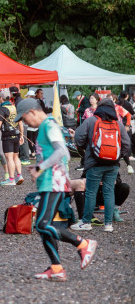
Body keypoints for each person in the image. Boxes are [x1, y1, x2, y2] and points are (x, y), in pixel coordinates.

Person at [15, 98, 97, 281]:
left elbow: (62, 152)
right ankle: (56, 268)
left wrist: (40, 167)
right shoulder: (45, 127)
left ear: (32, 112)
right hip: (50, 183)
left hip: (54, 184)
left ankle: (83, 244)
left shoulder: (49, 125)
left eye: (25, 119)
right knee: (44, 226)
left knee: (42, 224)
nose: (26, 123)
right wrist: (39, 167)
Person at [71, 98, 131, 232]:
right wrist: (117, 156)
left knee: (91, 192)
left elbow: (78, 138)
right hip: (113, 163)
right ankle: (108, 224)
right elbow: (127, 144)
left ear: (99, 107)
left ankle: (86, 222)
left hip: (94, 162)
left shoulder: (91, 121)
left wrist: (88, 148)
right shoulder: (118, 123)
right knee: (109, 192)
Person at [0, 90, 24, 186]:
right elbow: (20, 124)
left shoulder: (2, 109)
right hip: (16, 135)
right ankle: (19, 175)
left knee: (9, 158)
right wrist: (21, 135)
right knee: (16, 157)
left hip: (7, 136)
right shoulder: (15, 107)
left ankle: (11, 179)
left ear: (1, 98)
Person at [112, 93, 133, 174]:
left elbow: (129, 115)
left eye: (110, 99)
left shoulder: (118, 107)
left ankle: (129, 165)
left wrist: (127, 125)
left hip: (118, 130)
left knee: (122, 148)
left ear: (114, 100)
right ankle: (115, 168)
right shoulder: (105, 108)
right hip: (109, 131)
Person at [25, 90, 38, 159]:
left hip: (30, 125)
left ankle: (33, 153)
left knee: (30, 139)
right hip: (36, 125)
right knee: (34, 139)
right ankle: (35, 152)